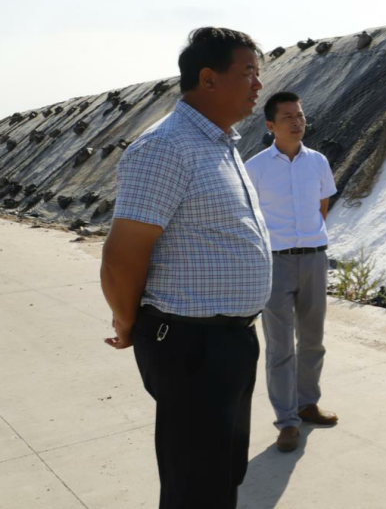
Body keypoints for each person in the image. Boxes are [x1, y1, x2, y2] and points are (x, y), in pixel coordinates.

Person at [100, 27, 272, 509]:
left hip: (231, 341)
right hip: (191, 347)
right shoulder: (165, 147)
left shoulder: (220, 145)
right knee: (195, 486)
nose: (258, 84)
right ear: (208, 79)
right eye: (248, 72)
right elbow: (122, 255)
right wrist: (127, 321)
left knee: (224, 475)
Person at [244, 91, 339, 453]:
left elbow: (322, 207)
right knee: (280, 347)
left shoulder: (317, 161)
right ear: (271, 125)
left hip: (314, 258)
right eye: (288, 117)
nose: (297, 122)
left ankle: (307, 404)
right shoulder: (255, 168)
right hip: (276, 262)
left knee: (313, 340)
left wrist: (309, 241)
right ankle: (286, 421)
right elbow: (249, 216)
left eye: (300, 115)